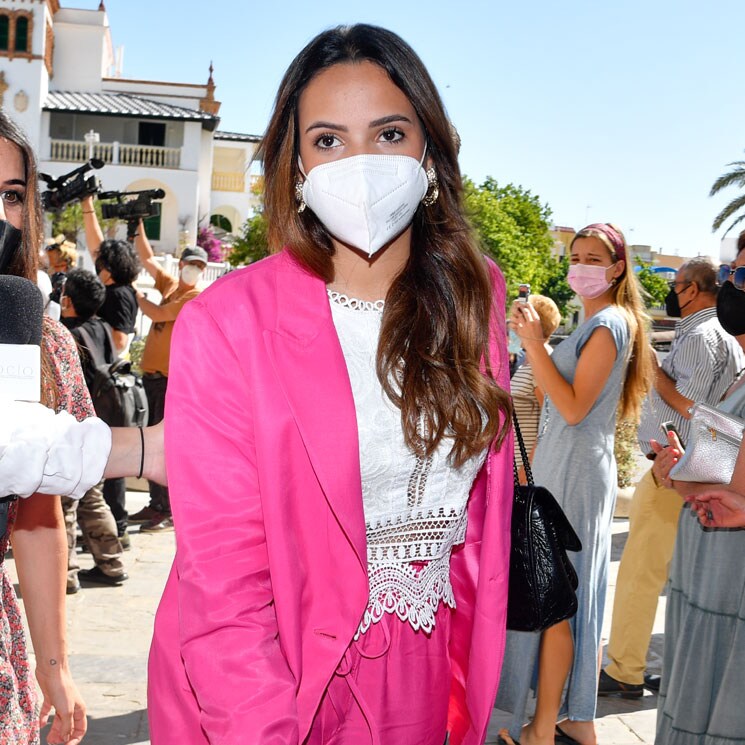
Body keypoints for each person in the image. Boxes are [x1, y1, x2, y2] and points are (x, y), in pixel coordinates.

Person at [147, 24, 514, 745]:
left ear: (429, 151)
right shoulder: (227, 321)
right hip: (281, 680)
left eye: (386, 133)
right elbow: (224, 587)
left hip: (431, 669)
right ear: (296, 168)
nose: (360, 163)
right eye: (327, 140)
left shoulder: (477, 295)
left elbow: (479, 525)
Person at [497, 223, 653, 745]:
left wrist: (533, 343)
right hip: (564, 468)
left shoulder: (608, 324)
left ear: (616, 268)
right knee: (556, 593)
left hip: (577, 474)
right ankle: (564, 717)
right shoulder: (597, 322)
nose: (581, 266)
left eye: (593, 258)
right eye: (575, 256)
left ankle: (549, 724)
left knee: (556, 594)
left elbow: (572, 405)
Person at [599, 257, 743, 698]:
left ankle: (625, 668)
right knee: (677, 578)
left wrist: (651, 371)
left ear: (693, 290)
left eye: (677, 284)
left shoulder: (702, 335)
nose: (671, 291)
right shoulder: (713, 335)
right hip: (692, 472)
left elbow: (695, 410)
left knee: (642, 573)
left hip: (684, 471)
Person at [0, 110, 86, 743]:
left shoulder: (34, 338)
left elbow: (37, 515)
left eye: (11, 195)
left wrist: (53, 668)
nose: (1, 214)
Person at [648, 239, 745, 745]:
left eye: (742, 279)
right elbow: (714, 463)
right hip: (704, 579)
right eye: (730, 273)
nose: (731, 287)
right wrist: (678, 468)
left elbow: (732, 471)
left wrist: (687, 471)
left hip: (729, 594)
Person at [127, 234, 206, 533]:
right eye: (191, 264)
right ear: (182, 263)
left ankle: (169, 510)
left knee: (166, 447)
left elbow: (158, 313)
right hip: (152, 380)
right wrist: (139, 229)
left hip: (171, 382)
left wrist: (135, 295)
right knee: (150, 442)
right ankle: (156, 504)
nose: (194, 270)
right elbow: (147, 259)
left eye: (200, 266)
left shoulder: (193, 295)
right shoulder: (171, 286)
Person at [59, 268, 129, 586]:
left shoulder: (65, 336)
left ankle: (66, 574)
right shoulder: (101, 327)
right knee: (93, 497)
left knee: (64, 504)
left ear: (68, 301)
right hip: (101, 426)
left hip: (74, 429)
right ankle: (112, 564)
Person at [80, 198, 139, 356]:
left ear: (109, 267)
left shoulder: (117, 294)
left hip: (106, 363)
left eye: (101, 264)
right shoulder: (123, 289)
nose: (98, 269)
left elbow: (119, 340)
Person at [510, 294, 561, 474]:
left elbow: (549, 419)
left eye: (517, 315)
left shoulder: (542, 360)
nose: (511, 321)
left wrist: (528, 468)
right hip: (512, 466)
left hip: (524, 470)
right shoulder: (527, 358)